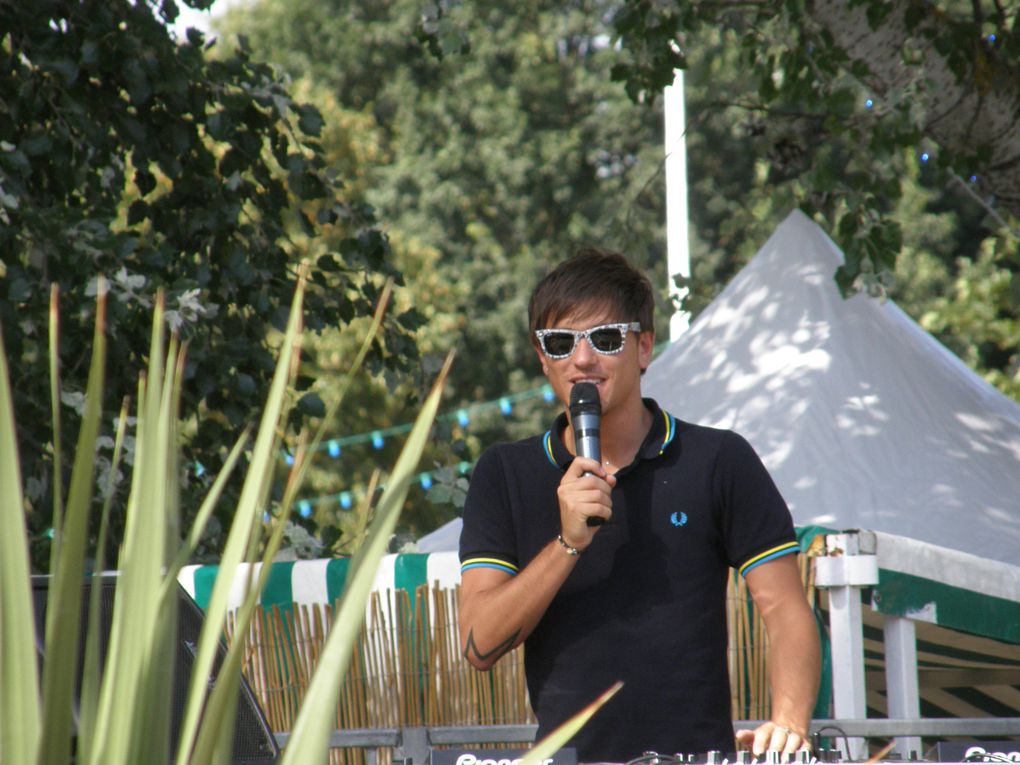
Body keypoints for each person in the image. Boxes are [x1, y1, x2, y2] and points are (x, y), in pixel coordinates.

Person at [457, 248, 821, 763]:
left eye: (605, 339)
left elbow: (784, 606)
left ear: (644, 348)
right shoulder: (505, 473)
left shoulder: (718, 460)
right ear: (542, 359)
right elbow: (478, 645)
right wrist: (567, 543)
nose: (581, 359)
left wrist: (788, 723)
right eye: (560, 343)